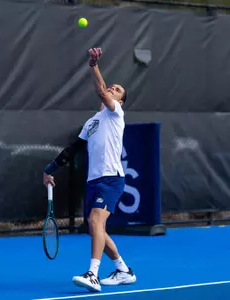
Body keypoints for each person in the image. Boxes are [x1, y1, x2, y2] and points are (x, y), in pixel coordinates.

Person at [42, 48, 136, 292]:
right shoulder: (91, 122)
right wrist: (49, 169)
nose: (111, 90)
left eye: (116, 90)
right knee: (96, 227)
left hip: (111, 179)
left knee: (95, 221)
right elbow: (73, 149)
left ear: (120, 101)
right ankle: (124, 270)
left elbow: (101, 91)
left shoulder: (117, 114)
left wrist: (94, 65)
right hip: (94, 180)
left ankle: (92, 274)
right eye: (111, 87)